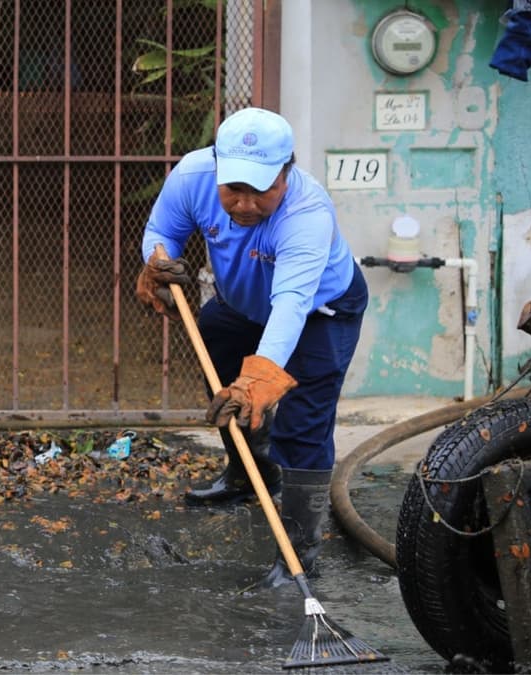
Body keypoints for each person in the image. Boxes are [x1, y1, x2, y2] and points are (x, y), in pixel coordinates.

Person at [136, 107, 368, 586]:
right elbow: (163, 232)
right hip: (240, 303)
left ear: (286, 173)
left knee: (303, 425)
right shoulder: (193, 175)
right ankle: (250, 476)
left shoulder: (306, 213)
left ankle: (299, 556)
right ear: (217, 167)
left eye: (261, 190)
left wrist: (259, 377)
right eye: (234, 189)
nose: (245, 204)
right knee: (223, 380)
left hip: (318, 313)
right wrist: (158, 262)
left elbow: (291, 304)